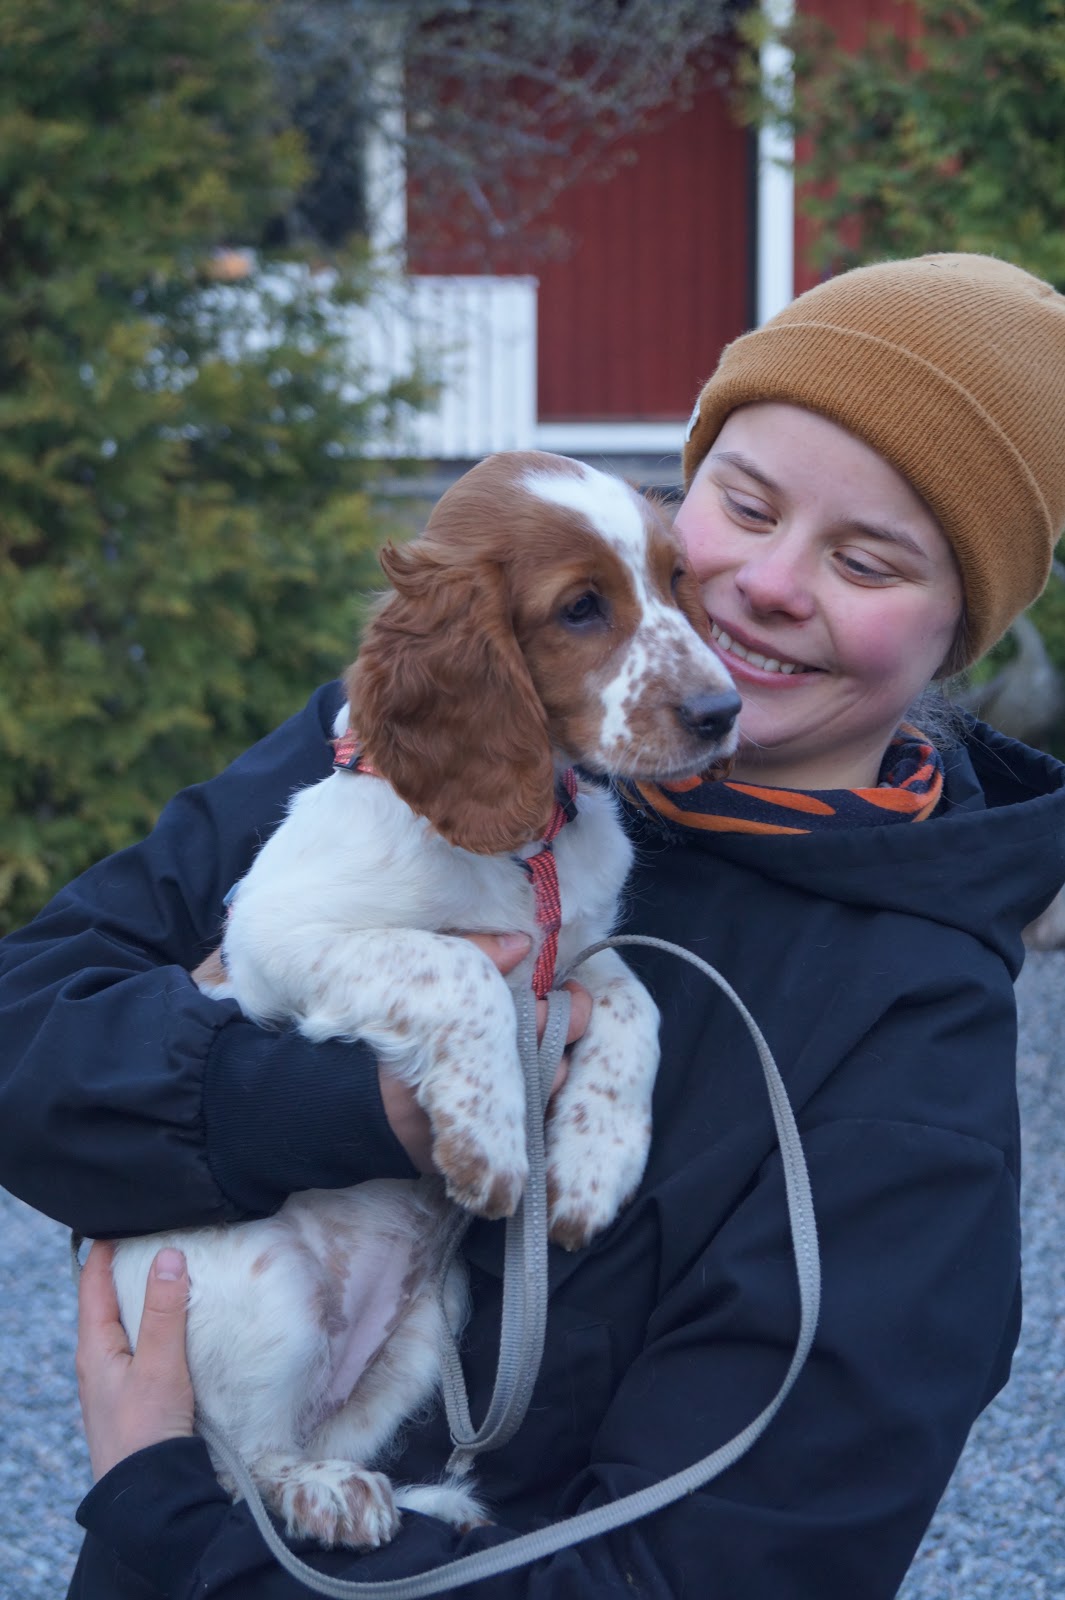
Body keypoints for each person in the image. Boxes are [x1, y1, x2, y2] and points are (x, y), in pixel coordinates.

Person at [3, 251, 1065, 1599]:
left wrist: (166, 1517)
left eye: (865, 560)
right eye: (740, 504)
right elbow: (23, 1037)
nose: (764, 587)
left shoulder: (911, 1047)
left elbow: (715, 1572)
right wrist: (342, 1104)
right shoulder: (419, 747)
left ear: (951, 633)